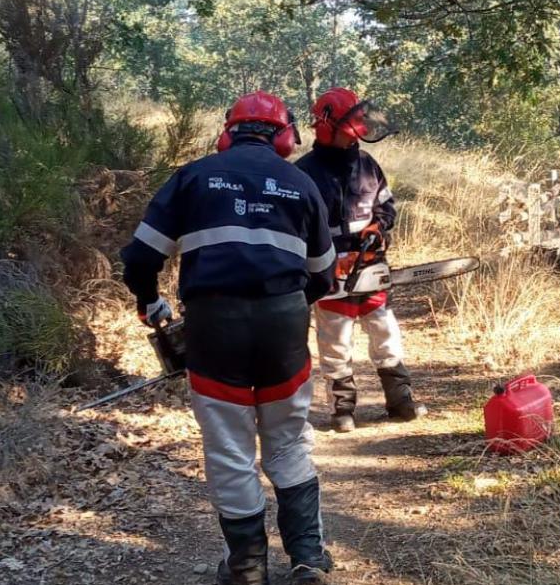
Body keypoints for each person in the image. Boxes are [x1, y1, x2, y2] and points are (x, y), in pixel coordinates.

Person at [120, 91, 336, 585]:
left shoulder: (193, 177)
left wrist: (151, 303)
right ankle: (307, 558)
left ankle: (246, 568)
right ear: (284, 136)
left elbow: (139, 257)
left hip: (213, 328)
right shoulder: (300, 182)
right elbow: (323, 274)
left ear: (228, 132)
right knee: (286, 442)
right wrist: (290, 305)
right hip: (282, 326)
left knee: (229, 450)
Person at [295, 87, 427, 434]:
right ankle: (343, 409)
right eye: (351, 122)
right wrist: (322, 259)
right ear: (327, 125)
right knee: (335, 342)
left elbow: (386, 206)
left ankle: (401, 401)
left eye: (359, 121)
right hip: (328, 270)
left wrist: (378, 227)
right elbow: (297, 226)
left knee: (386, 333)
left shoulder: (367, 164)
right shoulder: (304, 173)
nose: (360, 129)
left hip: (370, 265)